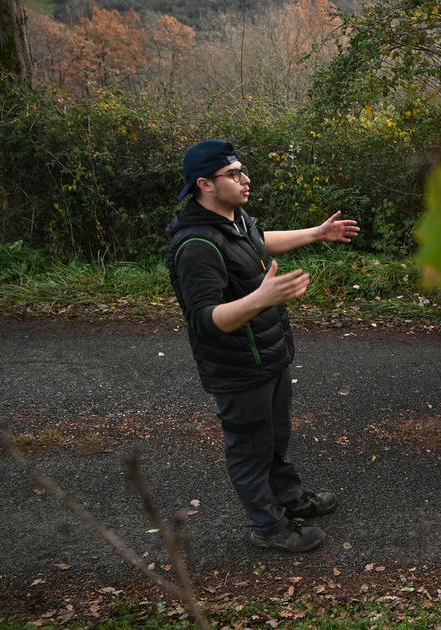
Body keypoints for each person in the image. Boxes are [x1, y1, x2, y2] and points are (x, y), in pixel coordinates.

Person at [166, 139, 360, 552]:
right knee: (250, 447)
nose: (245, 178)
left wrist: (318, 233)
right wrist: (262, 298)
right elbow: (205, 320)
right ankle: (267, 527)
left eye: (242, 169)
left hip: (267, 356)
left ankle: (289, 499)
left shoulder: (234, 220)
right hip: (237, 367)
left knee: (274, 436)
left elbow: (259, 240)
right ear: (204, 183)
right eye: (233, 174)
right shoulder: (196, 244)